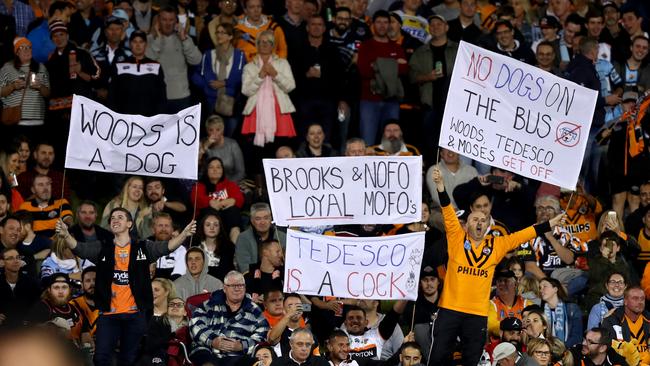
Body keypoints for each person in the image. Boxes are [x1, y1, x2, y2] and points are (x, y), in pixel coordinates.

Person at [429, 166, 564, 366]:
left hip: (477, 314)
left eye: (483, 220)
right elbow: (448, 211)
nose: (479, 223)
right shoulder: (456, 238)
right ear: (466, 224)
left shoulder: (497, 244)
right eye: (475, 219)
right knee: (438, 357)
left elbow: (524, 234)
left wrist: (549, 224)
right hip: (449, 309)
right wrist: (440, 186)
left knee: (472, 360)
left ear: (488, 226)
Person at [54, 208, 197, 366]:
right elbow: (79, 248)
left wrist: (184, 234)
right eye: (113, 217)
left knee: (128, 360)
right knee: (101, 358)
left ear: (129, 224)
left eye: (120, 217)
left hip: (135, 316)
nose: (115, 219)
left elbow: (167, 247)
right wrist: (66, 235)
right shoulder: (102, 247)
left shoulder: (143, 247)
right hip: (108, 314)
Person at [189, 271, 270, 366]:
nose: (237, 289)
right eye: (233, 285)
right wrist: (212, 340)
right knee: (203, 356)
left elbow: (263, 334)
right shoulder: (209, 305)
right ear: (224, 288)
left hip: (237, 355)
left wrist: (242, 345)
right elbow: (195, 324)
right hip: (207, 350)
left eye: (241, 285)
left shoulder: (254, 309)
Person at [409, 15, 458, 156]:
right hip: (429, 105)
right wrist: (427, 77)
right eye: (432, 25)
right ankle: (433, 175)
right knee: (430, 146)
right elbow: (412, 77)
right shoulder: (420, 52)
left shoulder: (458, 49)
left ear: (446, 27)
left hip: (452, 107)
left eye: (439, 24)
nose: (435, 27)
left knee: (451, 146)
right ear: (429, 29)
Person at [357, 10, 408, 145]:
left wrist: (377, 64)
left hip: (391, 100)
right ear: (373, 24)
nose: (382, 25)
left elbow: (403, 70)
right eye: (379, 22)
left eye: (386, 22)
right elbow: (364, 71)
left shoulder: (397, 47)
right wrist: (393, 64)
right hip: (369, 100)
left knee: (393, 142)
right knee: (368, 141)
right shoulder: (365, 46)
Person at [241, 30, 297, 148]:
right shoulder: (249, 67)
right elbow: (246, 91)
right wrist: (260, 76)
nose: (265, 44)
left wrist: (275, 74)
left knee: (279, 147)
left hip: (279, 111)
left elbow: (290, 86)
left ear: (273, 46)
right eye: (262, 42)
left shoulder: (283, 63)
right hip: (255, 111)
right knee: (257, 151)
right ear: (257, 45)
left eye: (269, 42)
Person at [192, 23, 245, 137]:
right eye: (217, 32)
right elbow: (196, 76)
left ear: (230, 37)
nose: (219, 35)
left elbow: (242, 76)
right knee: (213, 137)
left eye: (222, 32)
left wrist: (225, 83)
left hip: (231, 103)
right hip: (212, 102)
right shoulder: (208, 54)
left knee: (229, 136)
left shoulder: (239, 55)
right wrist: (208, 86)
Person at [146, 5, 202, 113]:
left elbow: (196, 60)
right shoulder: (149, 40)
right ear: (158, 21)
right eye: (164, 19)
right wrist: (158, 39)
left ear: (176, 21)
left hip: (181, 96)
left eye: (171, 20)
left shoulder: (184, 38)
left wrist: (184, 39)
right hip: (158, 97)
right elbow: (148, 62)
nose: (167, 23)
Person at [0, 37, 50, 141]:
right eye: (23, 47)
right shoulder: (7, 67)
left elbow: (48, 94)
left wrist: (40, 86)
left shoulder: (41, 67)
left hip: (37, 120)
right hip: (15, 120)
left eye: (29, 47)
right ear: (17, 52)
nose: (27, 50)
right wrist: (13, 86)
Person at [109, 30, 167, 116]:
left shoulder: (156, 66)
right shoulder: (119, 66)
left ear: (146, 44)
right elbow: (112, 95)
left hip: (150, 118)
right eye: (135, 41)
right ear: (130, 44)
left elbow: (161, 96)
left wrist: (159, 118)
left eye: (141, 42)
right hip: (125, 118)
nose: (138, 45)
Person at [191, 157, 244, 243]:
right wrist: (210, 202)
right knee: (209, 211)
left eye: (218, 167)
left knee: (233, 211)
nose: (215, 170)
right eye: (211, 167)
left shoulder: (230, 185)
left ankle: (235, 248)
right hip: (207, 222)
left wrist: (230, 201)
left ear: (222, 170)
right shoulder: (199, 186)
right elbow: (196, 199)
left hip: (228, 221)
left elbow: (239, 199)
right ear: (206, 170)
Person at [26, 273, 83, 342]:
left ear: (70, 290)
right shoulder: (41, 307)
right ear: (49, 290)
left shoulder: (75, 308)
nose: (60, 291)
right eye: (56, 287)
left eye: (64, 287)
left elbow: (85, 333)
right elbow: (29, 331)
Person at [341, 301, 407, 361]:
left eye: (359, 318)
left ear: (366, 323)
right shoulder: (340, 335)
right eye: (351, 318)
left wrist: (405, 297)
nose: (355, 321)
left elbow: (393, 315)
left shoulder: (375, 336)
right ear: (345, 323)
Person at [602, 286, 650, 362]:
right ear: (625, 301)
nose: (640, 302)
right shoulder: (612, 321)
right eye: (635, 298)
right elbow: (609, 351)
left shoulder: (648, 319)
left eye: (642, 299)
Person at [236, 202, 286, 273]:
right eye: (258, 219)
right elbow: (244, 267)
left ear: (271, 219)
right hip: (253, 280)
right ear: (252, 221)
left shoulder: (282, 237)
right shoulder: (243, 239)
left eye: (266, 218)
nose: (262, 222)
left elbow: (288, 264)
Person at [142, 296, 190, 366]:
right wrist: (171, 337)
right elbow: (150, 345)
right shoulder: (156, 323)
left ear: (185, 312)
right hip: (160, 358)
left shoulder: (192, 327)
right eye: (171, 304)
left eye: (179, 305)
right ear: (167, 310)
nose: (175, 306)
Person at [0, 247, 40, 327]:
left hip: (26, 329)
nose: (16, 261)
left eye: (18, 257)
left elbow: (38, 307)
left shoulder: (32, 283)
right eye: (10, 258)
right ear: (2, 262)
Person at [198, 116, 246, 182]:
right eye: (211, 130)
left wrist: (225, 185)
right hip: (209, 183)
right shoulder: (202, 143)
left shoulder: (232, 144)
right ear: (207, 131)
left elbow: (241, 172)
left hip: (230, 182)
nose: (214, 133)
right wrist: (204, 148)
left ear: (222, 130)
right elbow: (195, 167)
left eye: (218, 130)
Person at [487, 270, 533, 337]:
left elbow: (532, 326)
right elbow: (492, 326)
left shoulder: (526, 304)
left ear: (515, 284)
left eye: (506, 281)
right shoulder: (491, 304)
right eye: (499, 281)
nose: (502, 284)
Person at [539, 277, 582, 347]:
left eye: (545, 286)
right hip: (546, 350)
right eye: (540, 288)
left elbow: (577, 336)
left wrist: (561, 348)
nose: (541, 290)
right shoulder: (540, 312)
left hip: (568, 351)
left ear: (555, 289)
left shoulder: (572, 309)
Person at [194, 211, 236, 281]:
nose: (212, 227)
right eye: (208, 225)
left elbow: (229, 272)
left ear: (220, 227)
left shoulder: (229, 247)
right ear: (202, 227)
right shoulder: (194, 246)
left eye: (216, 225)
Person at [150, 213, 187, 280]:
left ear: (172, 230)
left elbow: (178, 276)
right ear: (153, 229)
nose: (164, 229)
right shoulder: (145, 247)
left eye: (167, 226)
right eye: (160, 225)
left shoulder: (181, 250)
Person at [70, 266, 99, 341]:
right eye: (88, 281)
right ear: (82, 285)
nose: (92, 284)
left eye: (95, 280)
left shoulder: (112, 305)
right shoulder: (73, 305)